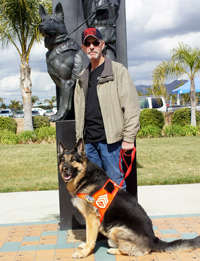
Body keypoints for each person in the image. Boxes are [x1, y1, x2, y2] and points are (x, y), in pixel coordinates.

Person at [74, 27, 140, 189]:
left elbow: (131, 106)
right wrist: (79, 141)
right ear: (83, 48)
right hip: (89, 143)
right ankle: (102, 215)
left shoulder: (118, 71)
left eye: (95, 43)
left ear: (102, 45)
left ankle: (119, 215)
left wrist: (129, 138)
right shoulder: (82, 77)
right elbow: (78, 110)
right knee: (94, 186)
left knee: (115, 184)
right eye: (87, 44)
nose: (91, 47)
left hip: (111, 142)